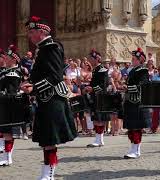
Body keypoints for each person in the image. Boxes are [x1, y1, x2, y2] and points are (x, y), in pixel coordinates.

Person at [21, 16, 77, 179]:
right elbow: (41, 74)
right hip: (46, 98)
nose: (29, 36)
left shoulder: (51, 47)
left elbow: (54, 76)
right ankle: (47, 173)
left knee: (49, 139)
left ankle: (49, 174)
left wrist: (34, 88)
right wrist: (28, 82)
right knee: (46, 139)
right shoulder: (43, 49)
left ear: (42, 32)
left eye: (32, 32)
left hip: (53, 99)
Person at [0, 45, 25, 166]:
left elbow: (11, 92)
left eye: (8, 57)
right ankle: (6, 156)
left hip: (10, 105)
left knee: (9, 132)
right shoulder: (6, 72)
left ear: (14, 60)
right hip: (4, 104)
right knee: (5, 132)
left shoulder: (14, 73)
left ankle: (8, 157)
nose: (5, 58)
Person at [123, 47, 150, 159]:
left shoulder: (143, 71)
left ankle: (136, 149)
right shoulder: (133, 70)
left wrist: (128, 87)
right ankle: (133, 148)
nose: (132, 60)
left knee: (136, 126)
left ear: (140, 60)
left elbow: (142, 86)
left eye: (134, 59)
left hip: (137, 101)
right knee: (131, 126)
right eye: (132, 58)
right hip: (130, 101)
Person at [84, 49, 109, 147]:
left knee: (99, 118)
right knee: (96, 118)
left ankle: (99, 140)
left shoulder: (102, 69)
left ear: (97, 59)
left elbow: (104, 84)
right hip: (95, 96)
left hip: (101, 97)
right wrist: (87, 87)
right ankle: (99, 139)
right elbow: (94, 83)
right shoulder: (95, 69)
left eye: (91, 58)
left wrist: (92, 88)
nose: (90, 60)